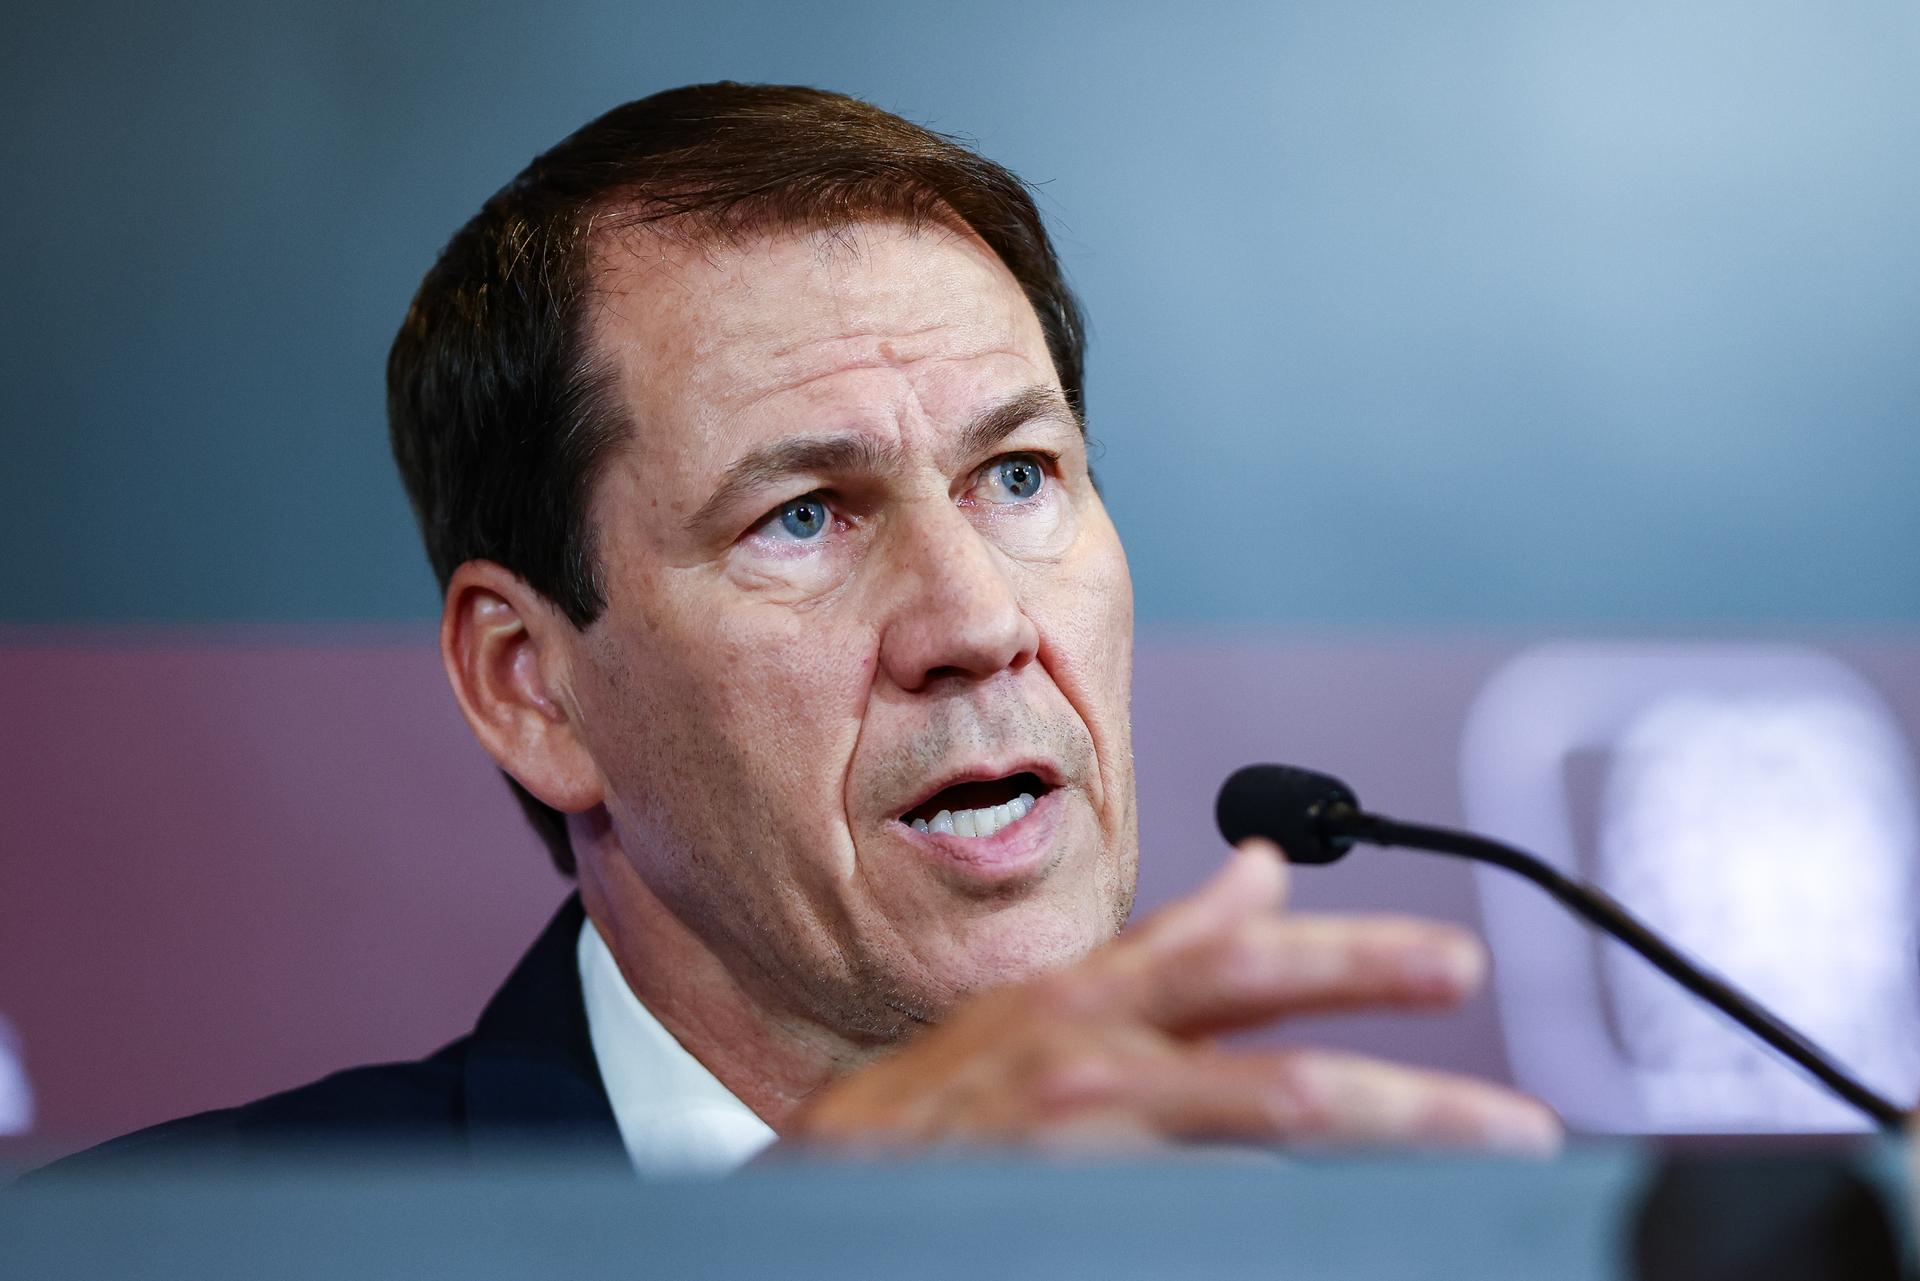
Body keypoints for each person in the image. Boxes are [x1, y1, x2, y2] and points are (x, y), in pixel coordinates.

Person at [48, 82, 1559, 1176]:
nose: (976, 622)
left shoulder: (1357, 1251)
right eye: (805, 515)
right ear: (534, 688)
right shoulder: (177, 1248)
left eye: (1018, 475)